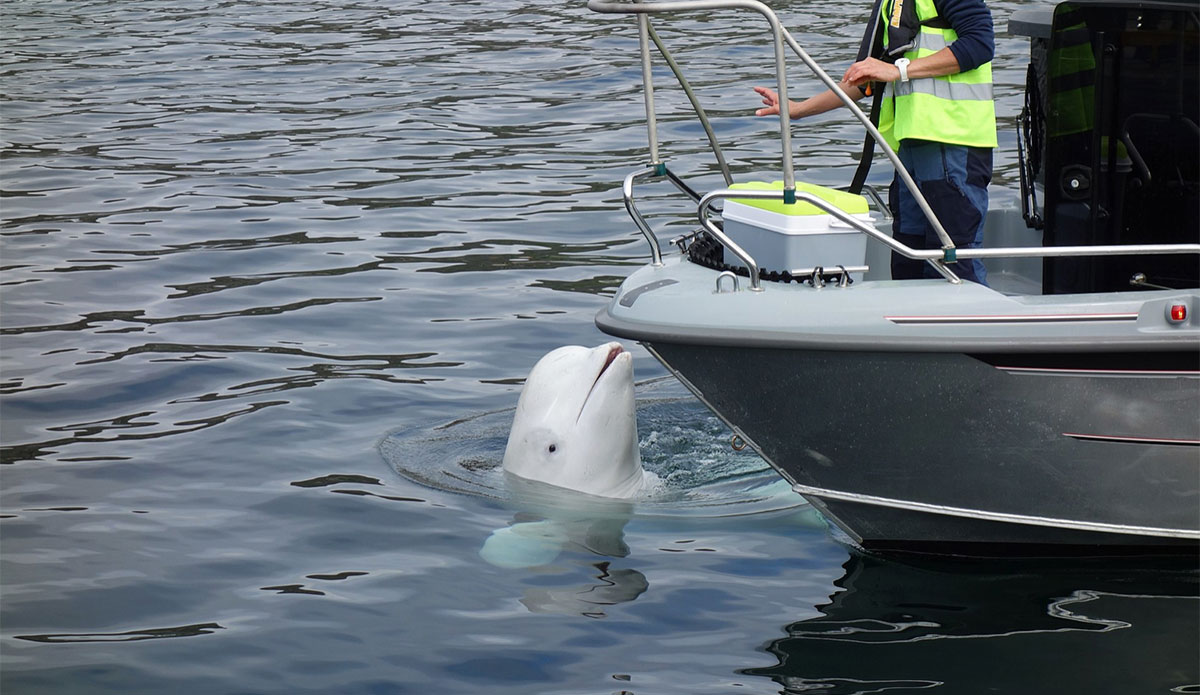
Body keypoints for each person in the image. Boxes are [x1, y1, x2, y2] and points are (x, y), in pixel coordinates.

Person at [754, 0, 996, 284]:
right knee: (909, 259)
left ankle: (969, 325)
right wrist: (798, 109)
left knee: (955, 263)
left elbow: (980, 44)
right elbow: (865, 80)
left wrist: (898, 71)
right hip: (910, 152)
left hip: (954, 145)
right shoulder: (893, 5)